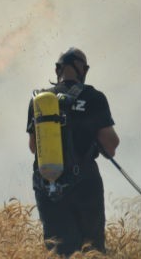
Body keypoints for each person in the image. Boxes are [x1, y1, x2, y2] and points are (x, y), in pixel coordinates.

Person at [26, 47, 119, 256]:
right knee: (92, 249)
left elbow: (34, 147)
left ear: (58, 69)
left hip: (49, 187)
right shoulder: (93, 97)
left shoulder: (39, 100)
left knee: (59, 251)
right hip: (85, 184)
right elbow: (110, 146)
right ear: (82, 70)